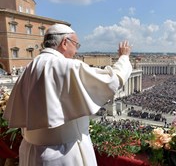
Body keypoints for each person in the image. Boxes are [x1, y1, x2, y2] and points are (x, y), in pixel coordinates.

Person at [3, 24, 132, 166]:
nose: (76, 51)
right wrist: (124, 58)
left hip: (31, 154)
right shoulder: (66, 66)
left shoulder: (29, 67)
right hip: (63, 155)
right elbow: (111, 81)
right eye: (76, 45)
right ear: (65, 42)